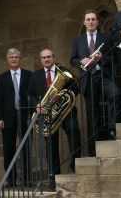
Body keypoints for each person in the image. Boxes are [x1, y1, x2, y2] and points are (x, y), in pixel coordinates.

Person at [69, 10, 120, 155]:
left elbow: (114, 57)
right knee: (93, 115)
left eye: (93, 19)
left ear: (97, 22)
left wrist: (101, 58)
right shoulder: (77, 41)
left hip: (103, 75)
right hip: (88, 78)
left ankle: (112, 128)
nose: (91, 22)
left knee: (115, 95)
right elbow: (72, 60)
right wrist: (81, 61)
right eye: (88, 20)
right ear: (84, 22)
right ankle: (95, 148)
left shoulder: (105, 38)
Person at [28, 48, 81, 184]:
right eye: (44, 58)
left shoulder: (64, 71)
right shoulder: (35, 75)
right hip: (47, 115)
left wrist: (62, 95)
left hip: (66, 111)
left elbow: (76, 87)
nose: (46, 59)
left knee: (74, 133)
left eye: (49, 57)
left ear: (53, 57)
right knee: (51, 145)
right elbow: (31, 95)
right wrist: (37, 106)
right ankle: (53, 175)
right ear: (41, 60)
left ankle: (76, 166)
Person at [0, 48, 32, 185]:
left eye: (16, 57)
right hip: (8, 118)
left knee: (26, 147)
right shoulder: (2, 77)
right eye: (11, 57)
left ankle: (27, 179)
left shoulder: (29, 75)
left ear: (20, 59)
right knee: (8, 148)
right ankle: (11, 179)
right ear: (7, 60)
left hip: (25, 116)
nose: (14, 59)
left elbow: (32, 96)